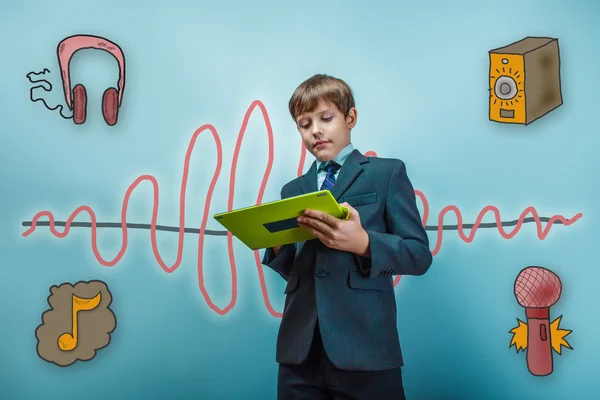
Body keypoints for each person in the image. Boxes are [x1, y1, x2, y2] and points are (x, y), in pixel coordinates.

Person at [261, 74, 432, 400]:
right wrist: (278, 247)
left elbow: (419, 254)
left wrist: (364, 243)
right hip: (300, 351)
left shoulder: (387, 173)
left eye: (326, 118)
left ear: (350, 118)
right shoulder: (292, 190)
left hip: (366, 346)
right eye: (304, 124)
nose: (316, 131)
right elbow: (298, 269)